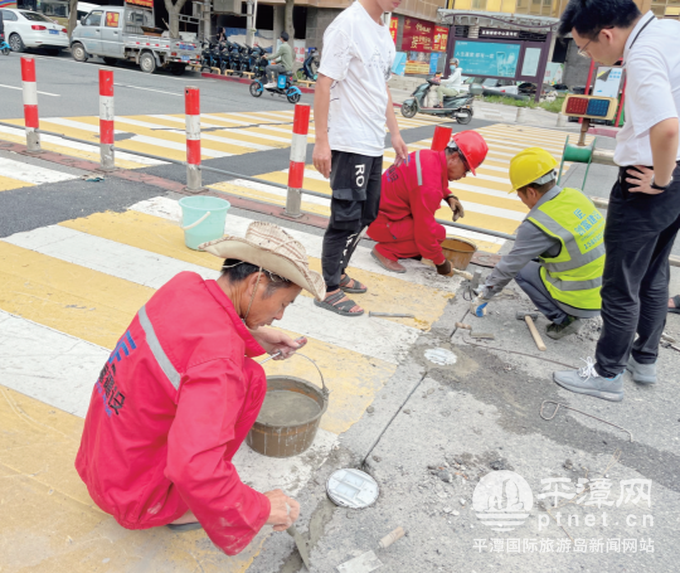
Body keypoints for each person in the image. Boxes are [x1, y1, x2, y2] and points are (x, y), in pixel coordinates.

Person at [75, 222, 326, 556]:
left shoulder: (183, 286)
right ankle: (176, 510)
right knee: (248, 381)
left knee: (247, 372)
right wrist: (261, 508)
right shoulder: (219, 364)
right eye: (284, 304)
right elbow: (195, 468)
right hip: (134, 497)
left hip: (101, 462)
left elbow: (191, 336)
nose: (279, 316)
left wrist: (254, 334)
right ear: (256, 282)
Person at [552, 0, 680, 401]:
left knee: (621, 283)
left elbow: (667, 129)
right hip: (678, 178)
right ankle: (645, 360)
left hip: (650, 180)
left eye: (586, 49)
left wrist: (660, 180)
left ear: (606, 34)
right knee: (655, 273)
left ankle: (607, 374)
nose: (589, 56)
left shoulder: (641, 54)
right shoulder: (671, 33)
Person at [312, 0, 408, 317]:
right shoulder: (347, 24)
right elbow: (324, 83)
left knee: (367, 212)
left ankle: (338, 271)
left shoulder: (383, 31)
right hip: (348, 139)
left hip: (371, 141)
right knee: (345, 217)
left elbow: (381, 88)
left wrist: (394, 133)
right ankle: (329, 288)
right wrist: (322, 141)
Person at [471, 148, 606, 340]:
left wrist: (485, 294)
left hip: (580, 297)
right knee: (534, 256)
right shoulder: (576, 196)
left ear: (531, 192)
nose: (523, 201)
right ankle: (572, 309)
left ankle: (565, 318)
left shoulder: (538, 223)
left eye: (521, 196)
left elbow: (510, 265)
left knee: (520, 268)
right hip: (605, 290)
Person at [367, 131, 488, 274]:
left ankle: (401, 246)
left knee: (430, 234)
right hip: (381, 223)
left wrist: (449, 196)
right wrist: (441, 263)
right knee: (436, 235)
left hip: (373, 213)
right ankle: (385, 251)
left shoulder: (427, 156)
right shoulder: (429, 186)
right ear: (454, 158)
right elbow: (425, 230)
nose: (463, 175)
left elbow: (426, 180)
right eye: (466, 170)